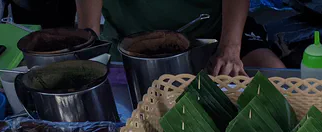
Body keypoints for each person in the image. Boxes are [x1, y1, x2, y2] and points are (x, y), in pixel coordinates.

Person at [75, 0, 285, 74]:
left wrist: (230, 49)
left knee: (273, 73)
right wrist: (89, 44)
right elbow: (89, 32)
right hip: (133, 41)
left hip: (215, 31)